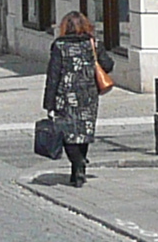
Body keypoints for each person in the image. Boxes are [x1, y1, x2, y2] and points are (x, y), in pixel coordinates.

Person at [43, 9, 118, 186]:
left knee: (67, 133)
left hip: (65, 94)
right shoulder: (93, 43)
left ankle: (78, 163)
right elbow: (108, 65)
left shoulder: (59, 46)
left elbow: (53, 75)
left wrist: (49, 103)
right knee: (83, 131)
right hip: (88, 95)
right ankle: (78, 171)